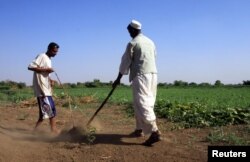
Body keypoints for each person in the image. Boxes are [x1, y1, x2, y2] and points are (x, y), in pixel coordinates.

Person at [113, 20, 161, 146]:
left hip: (140, 75)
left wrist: (118, 78)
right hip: (153, 74)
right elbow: (154, 57)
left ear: (134, 30)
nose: (129, 33)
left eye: (129, 30)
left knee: (142, 103)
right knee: (145, 102)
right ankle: (139, 129)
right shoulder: (150, 42)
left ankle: (154, 132)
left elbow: (125, 62)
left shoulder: (133, 43)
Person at [28, 42, 60, 134]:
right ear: (49, 49)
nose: (55, 53)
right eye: (54, 51)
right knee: (48, 111)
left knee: (49, 110)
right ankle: (52, 130)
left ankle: (37, 131)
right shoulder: (42, 56)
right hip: (42, 90)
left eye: (56, 52)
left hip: (46, 89)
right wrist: (46, 70)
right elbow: (30, 67)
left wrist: (50, 79)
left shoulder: (49, 59)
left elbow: (43, 74)